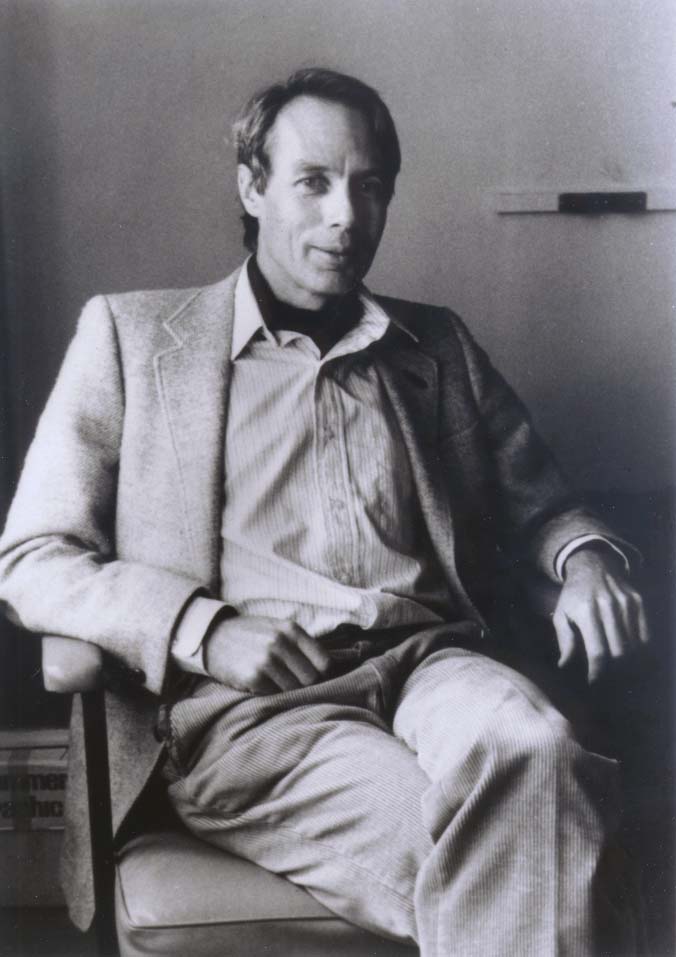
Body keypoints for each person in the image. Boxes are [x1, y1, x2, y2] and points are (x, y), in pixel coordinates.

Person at [0, 68, 649, 955]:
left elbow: (543, 507)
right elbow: (33, 556)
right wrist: (202, 628)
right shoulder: (134, 339)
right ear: (252, 186)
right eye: (313, 181)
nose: (346, 215)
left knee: (538, 750)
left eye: (369, 185)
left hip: (432, 666)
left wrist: (586, 562)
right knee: (538, 851)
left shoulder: (437, 346)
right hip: (258, 711)